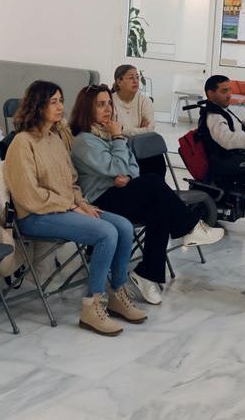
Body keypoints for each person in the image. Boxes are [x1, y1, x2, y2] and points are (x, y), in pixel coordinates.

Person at [4, 81, 146, 336]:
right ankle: (92, 306)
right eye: (53, 102)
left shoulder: (55, 139)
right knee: (106, 233)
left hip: (64, 209)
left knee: (124, 226)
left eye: (61, 100)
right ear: (38, 106)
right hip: (35, 215)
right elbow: (28, 196)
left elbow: (71, 182)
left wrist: (80, 203)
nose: (60, 107)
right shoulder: (22, 143)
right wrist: (70, 205)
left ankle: (117, 292)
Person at [69, 85, 224, 304]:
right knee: (152, 181)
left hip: (120, 194)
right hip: (99, 202)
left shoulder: (109, 133)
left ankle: (147, 274)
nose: (108, 109)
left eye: (109, 103)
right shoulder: (85, 140)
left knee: (159, 208)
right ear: (87, 109)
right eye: (100, 105)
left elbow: (132, 166)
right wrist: (118, 139)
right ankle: (189, 227)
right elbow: (116, 166)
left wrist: (128, 177)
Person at [198, 74, 245, 181]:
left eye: (230, 90)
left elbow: (234, 127)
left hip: (230, 156)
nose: (229, 95)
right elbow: (229, 141)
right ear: (210, 93)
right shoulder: (214, 116)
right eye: (224, 91)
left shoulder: (221, 109)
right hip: (223, 161)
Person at [110, 64, 166, 177]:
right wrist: (140, 130)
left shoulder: (145, 101)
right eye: (131, 77)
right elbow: (111, 131)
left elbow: (149, 130)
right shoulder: (110, 102)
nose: (136, 81)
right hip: (121, 148)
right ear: (119, 81)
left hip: (142, 147)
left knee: (156, 158)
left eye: (137, 77)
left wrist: (122, 129)